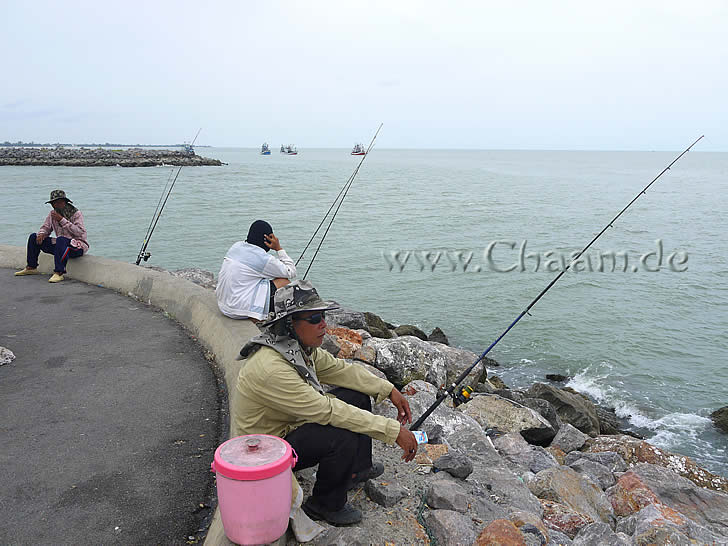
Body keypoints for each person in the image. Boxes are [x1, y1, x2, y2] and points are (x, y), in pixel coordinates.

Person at [231, 280, 418, 525]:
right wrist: (392, 431)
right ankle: (324, 504)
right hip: (268, 449)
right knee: (343, 432)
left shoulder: (297, 348)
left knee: (357, 396)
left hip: (290, 427)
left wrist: (388, 389)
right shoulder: (272, 367)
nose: (323, 324)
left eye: (322, 316)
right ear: (290, 323)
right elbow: (327, 411)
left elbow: (341, 370)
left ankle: (356, 470)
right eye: (314, 318)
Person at [216, 220, 296, 321]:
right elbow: (291, 271)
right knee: (284, 282)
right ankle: (263, 318)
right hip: (237, 310)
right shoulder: (262, 258)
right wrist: (278, 248)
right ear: (268, 238)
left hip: (223, 305)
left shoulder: (236, 246)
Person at [14, 189, 89, 283]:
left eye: (58, 202)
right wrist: (41, 234)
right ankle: (31, 267)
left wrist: (62, 220)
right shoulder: (52, 214)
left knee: (61, 240)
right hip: (61, 246)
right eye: (53, 203)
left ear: (64, 202)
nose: (55, 205)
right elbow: (46, 227)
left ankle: (59, 273)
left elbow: (80, 232)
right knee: (34, 237)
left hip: (77, 246)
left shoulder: (76, 214)